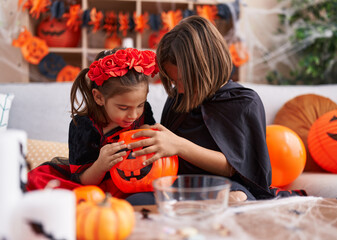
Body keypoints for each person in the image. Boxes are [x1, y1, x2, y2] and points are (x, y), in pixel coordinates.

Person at [126, 16, 277, 201]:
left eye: (183, 81)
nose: (179, 89)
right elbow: (166, 159)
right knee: (134, 201)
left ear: (206, 67)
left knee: (234, 197)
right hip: (179, 185)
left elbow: (237, 166)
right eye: (173, 82)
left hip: (225, 185)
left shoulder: (244, 102)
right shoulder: (177, 98)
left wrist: (179, 145)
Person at [27, 48, 158, 202]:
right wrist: (101, 165)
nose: (134, 115)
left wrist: (149, 134)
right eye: (123, 108)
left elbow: (152, 139)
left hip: (133, 181)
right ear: (98, 97)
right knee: (41, 186)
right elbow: (81, 180)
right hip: (91, 185)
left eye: (140, 105)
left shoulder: (143, 112)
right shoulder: (83, 126)